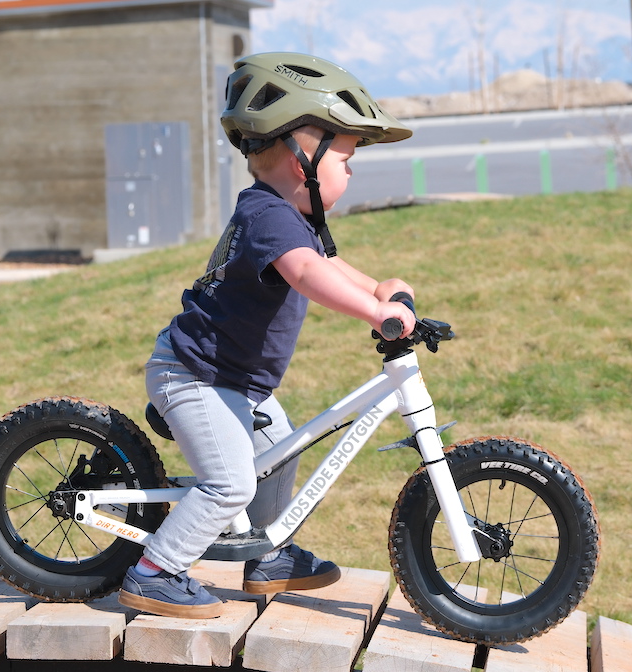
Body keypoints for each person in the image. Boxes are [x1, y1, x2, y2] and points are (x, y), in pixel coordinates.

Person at [118, 52, 416, 618]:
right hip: (195, 375)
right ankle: (156, 570)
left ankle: (267, 553)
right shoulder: (267, 216)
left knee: (280, 455)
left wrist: (381, 288)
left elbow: (332, 266)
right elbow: (307, 274)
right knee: (231, 483)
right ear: (304, 149)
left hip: (236, 382)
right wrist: (377, 314)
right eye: (347, 157)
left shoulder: (292, 217)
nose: (351, 171)